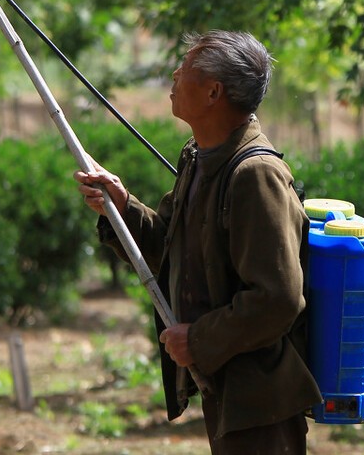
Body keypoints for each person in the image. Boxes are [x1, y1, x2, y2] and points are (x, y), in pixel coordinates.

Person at [76, 30, 320, 454]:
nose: (174, 73)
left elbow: (277, 298)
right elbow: (169, 251)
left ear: (213, 92)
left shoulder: (255, 175)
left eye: (185, 67)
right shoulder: (198, 156)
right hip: (226, 395)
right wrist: (122, 206)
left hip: (260, 403)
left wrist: (199, 339)